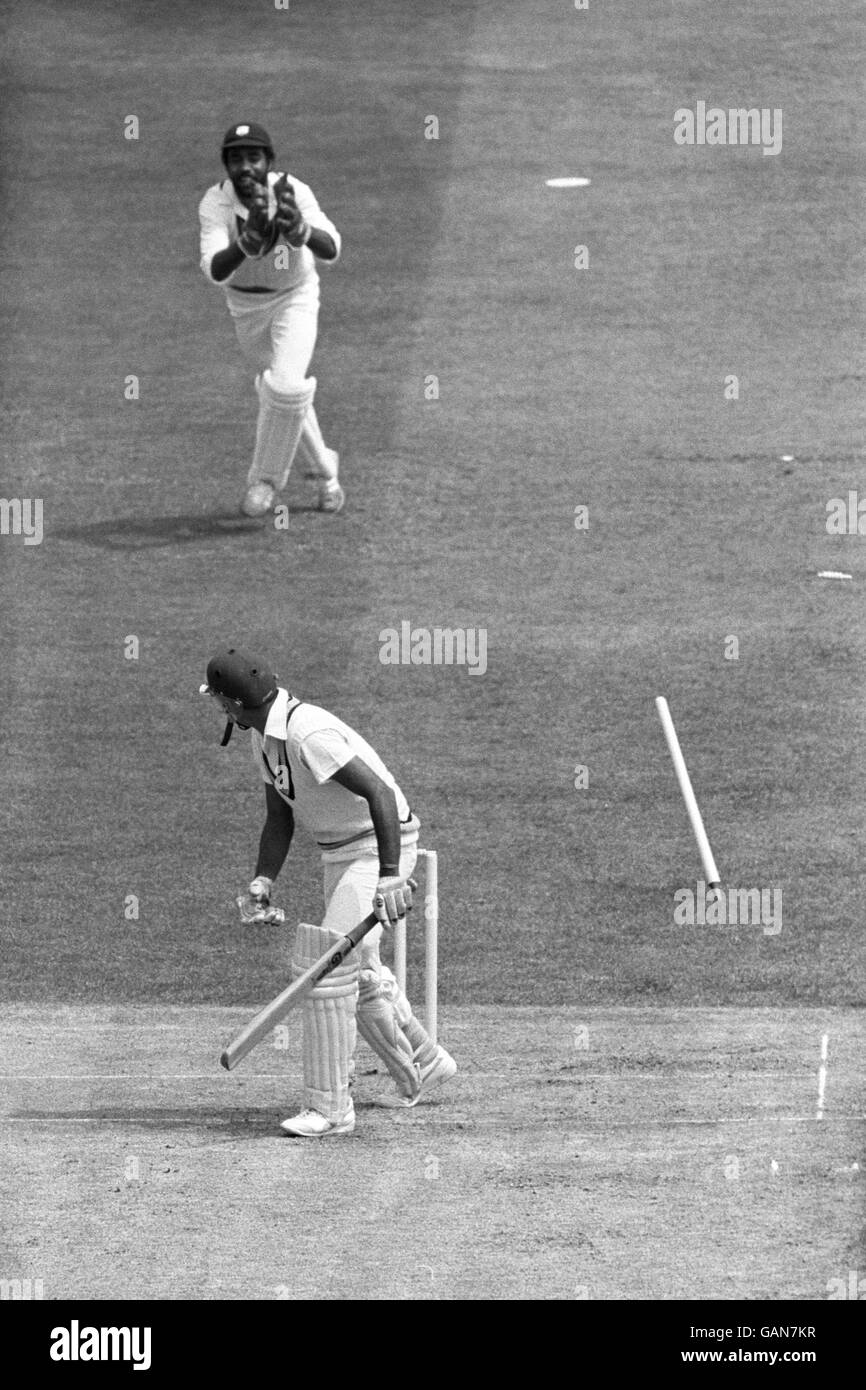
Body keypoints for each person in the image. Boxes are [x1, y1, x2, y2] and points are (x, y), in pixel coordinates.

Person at [200, 645, 457, 1137]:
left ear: (232, 704)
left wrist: (389, 876)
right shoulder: (264, 737)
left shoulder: (306, 733)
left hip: (377, 846)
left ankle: (331, 1108)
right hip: (339, 852)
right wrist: (263, 880)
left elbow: (379, 793)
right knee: (356, 972)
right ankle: (425, 1060)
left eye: (218, 701)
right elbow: (280, 816)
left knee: (325, 966)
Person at [198, 122, 344, 518]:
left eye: (253, 158)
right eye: (236, 159)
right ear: (226, 165)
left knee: (284, 385)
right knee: (285, 395)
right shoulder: (216, 202)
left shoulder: (293, 190)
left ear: (269, 161)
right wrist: (246, 242)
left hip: (295, 297)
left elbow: (331, 248)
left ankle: (264, 482)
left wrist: (300, 229)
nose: (244, 167)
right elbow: (215, 270)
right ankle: (326, 474)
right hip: (245, 308)